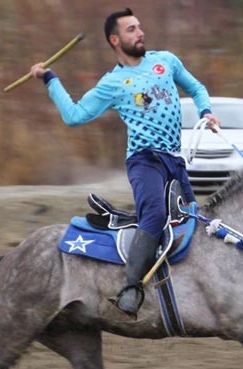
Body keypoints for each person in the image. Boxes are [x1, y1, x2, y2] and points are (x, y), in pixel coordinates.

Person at [30, 8, 219, 319]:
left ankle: (187, 290)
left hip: (175, 160)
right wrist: (50, 79)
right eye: (132, 29)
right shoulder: (112, 83)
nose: (140, 32)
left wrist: (205, 111)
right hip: (145, 162)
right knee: (156, 216)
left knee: (192, 223)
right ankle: (130, 288)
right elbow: (74, 116)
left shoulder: (166, 61)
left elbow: (197, 88)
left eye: (140, 27)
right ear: (115, 40)